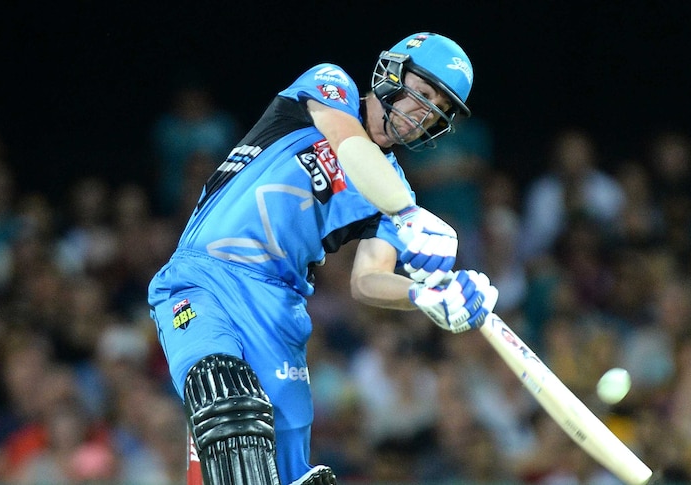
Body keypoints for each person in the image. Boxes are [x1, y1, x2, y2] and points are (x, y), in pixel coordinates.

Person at [147, 32, 499, 485]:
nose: (424, 114)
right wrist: (406, 212)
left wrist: (427, 294)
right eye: (424, 93)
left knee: (290, 475)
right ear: (392, 72)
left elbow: (368, 280)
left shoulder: (392, 195)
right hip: (203, 280)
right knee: (227, 405)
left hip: (280, 315)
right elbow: (350, 145)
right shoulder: (331, 87)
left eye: (439, 110)